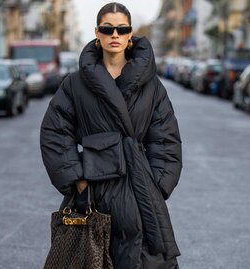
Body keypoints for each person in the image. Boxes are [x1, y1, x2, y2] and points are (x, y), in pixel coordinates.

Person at [40, 2, 182, 268]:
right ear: (97, 32)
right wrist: (77, 180)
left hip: (140, 191)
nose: (114, 34)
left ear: (130, 34)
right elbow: (55, 132)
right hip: (94, 192)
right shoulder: (75, 83)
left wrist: (158, 184)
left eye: (122, 28)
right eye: (107, 28)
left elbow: (166, 139)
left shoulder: (151, 86)